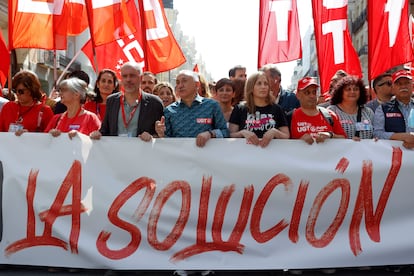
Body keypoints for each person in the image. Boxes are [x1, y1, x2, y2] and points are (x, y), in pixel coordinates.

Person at [90, 62, 163, 141]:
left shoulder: (154, 103)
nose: (128, 80)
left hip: (142, 152)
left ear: (141, 78)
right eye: (125, 76)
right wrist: (98, 134)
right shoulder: (111, 101)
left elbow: (161, 136)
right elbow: (105, 130)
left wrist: (153, 136)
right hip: (116, 151)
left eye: (132, 76)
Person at [155, 70, 229, 147]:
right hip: (179, 157)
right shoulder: (169, 110)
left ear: (197, 85)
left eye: (184, 81)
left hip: (206, 157)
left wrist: (210, 134)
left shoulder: (212, 106)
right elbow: (168, 142)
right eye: (177, 82)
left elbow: (225, 132)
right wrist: (161, 134)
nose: (180, 85)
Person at [228, 71, 289, 147]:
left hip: (271, 155)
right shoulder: (239, 108)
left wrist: (275, 132)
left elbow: (286, 135)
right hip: (244, 155)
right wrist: (242, 133)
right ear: (251, 87)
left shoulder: (277, 109)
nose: (263, 87)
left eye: (266, 84)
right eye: (259, 83)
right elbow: (230, 135)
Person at [290, 77, 346, 144]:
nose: (312, 96)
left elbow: (344, 139)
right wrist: (299, 141)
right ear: (298, 95)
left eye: (314, 92)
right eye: (307, 93)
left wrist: (330, 135)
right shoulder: (291, 117)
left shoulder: (329, 115)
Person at [0, 70, 53, 135]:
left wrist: (29, 136)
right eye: (15, 90)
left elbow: (49, 138)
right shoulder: (8, 107)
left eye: (20, 91)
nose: (17, 94)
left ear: (31, 90)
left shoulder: (45, 111)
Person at [373, 69, 414, 149]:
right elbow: (377, 133)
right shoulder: (383, 108)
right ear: (393, 87)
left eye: (406, 83)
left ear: (412, 85)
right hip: (393, 157)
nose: (403, 86)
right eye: (399, 84)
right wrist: (400, 136)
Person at [328, 76, 374, 140]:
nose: (352, 92)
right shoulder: (331, 111)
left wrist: (375, 139)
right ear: (341, 92)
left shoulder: (368, 112)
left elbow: (375, 133)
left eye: (356, 89)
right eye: (348, 89)